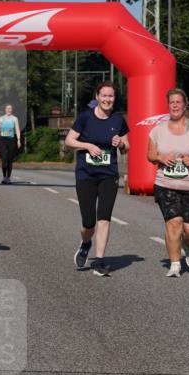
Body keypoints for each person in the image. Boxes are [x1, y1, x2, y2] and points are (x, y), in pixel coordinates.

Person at [146, 88, 189, 277]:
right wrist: (160, 157)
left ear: (185, 105)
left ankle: (188, 246)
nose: (175, 105)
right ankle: (175, 264)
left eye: (178, 102)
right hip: (165, 184)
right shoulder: (157, 130)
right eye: (171, 102)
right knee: (174, 223)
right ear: (168, 105)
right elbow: (149, 155)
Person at [65, 82, 129, 276]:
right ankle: (86, 243)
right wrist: (87, 146)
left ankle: (99, 261)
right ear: (97, 97)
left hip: (108, 174)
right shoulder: (85, 117)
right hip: (86, 174)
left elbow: (128, 146)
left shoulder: (118, 120)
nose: (107, 99)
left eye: (111, 96)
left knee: (104, 219)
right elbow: (69, 141)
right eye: (104, 96)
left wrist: (121, 144)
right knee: (88, 222)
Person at [0, 104, 21, 184]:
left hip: (11, 140)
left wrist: (18, 140)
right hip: (2, 140)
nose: (9, 110)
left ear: (12, 110)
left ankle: (8, 177)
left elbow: (17, 129)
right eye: (7, 108)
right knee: (4, 159)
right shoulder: (1, 119)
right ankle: (4, 176)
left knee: (9, 160)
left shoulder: (14, 119)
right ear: (5, 109)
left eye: (10, 108)